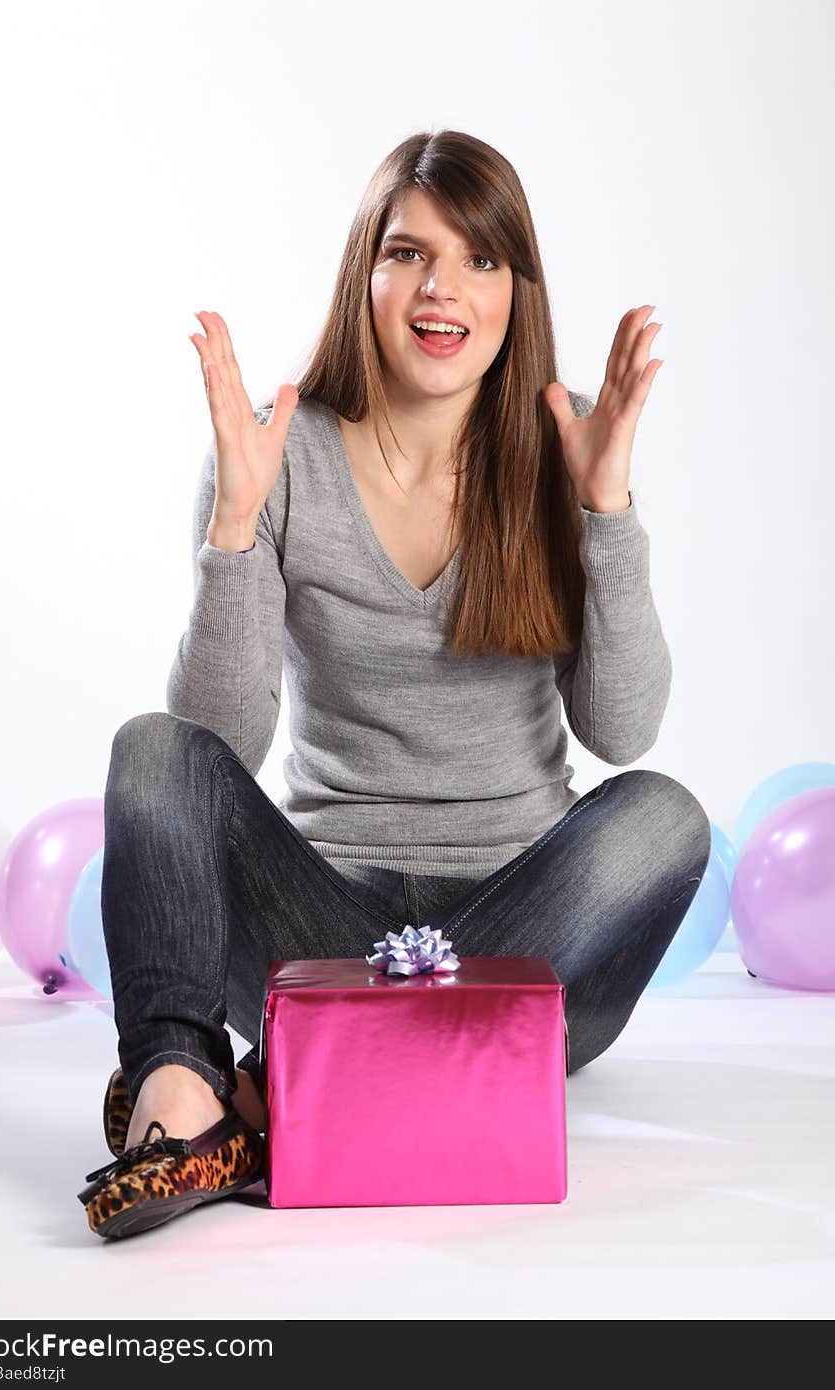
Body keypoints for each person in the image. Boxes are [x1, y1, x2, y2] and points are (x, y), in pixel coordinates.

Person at [78, 128, 711, 1240]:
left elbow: (622, 729)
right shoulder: (281, 452)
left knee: (661, 813)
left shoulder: (555, 449)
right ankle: (184, 1088)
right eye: (407, 252)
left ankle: (313, 1072)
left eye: (479, 259)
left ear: (518, 289)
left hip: (527, 932)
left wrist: (606, 510)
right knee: (152, 747)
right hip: (319, 917)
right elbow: (218, 737)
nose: (440, 288)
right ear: (362, 274)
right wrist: (235, 524)